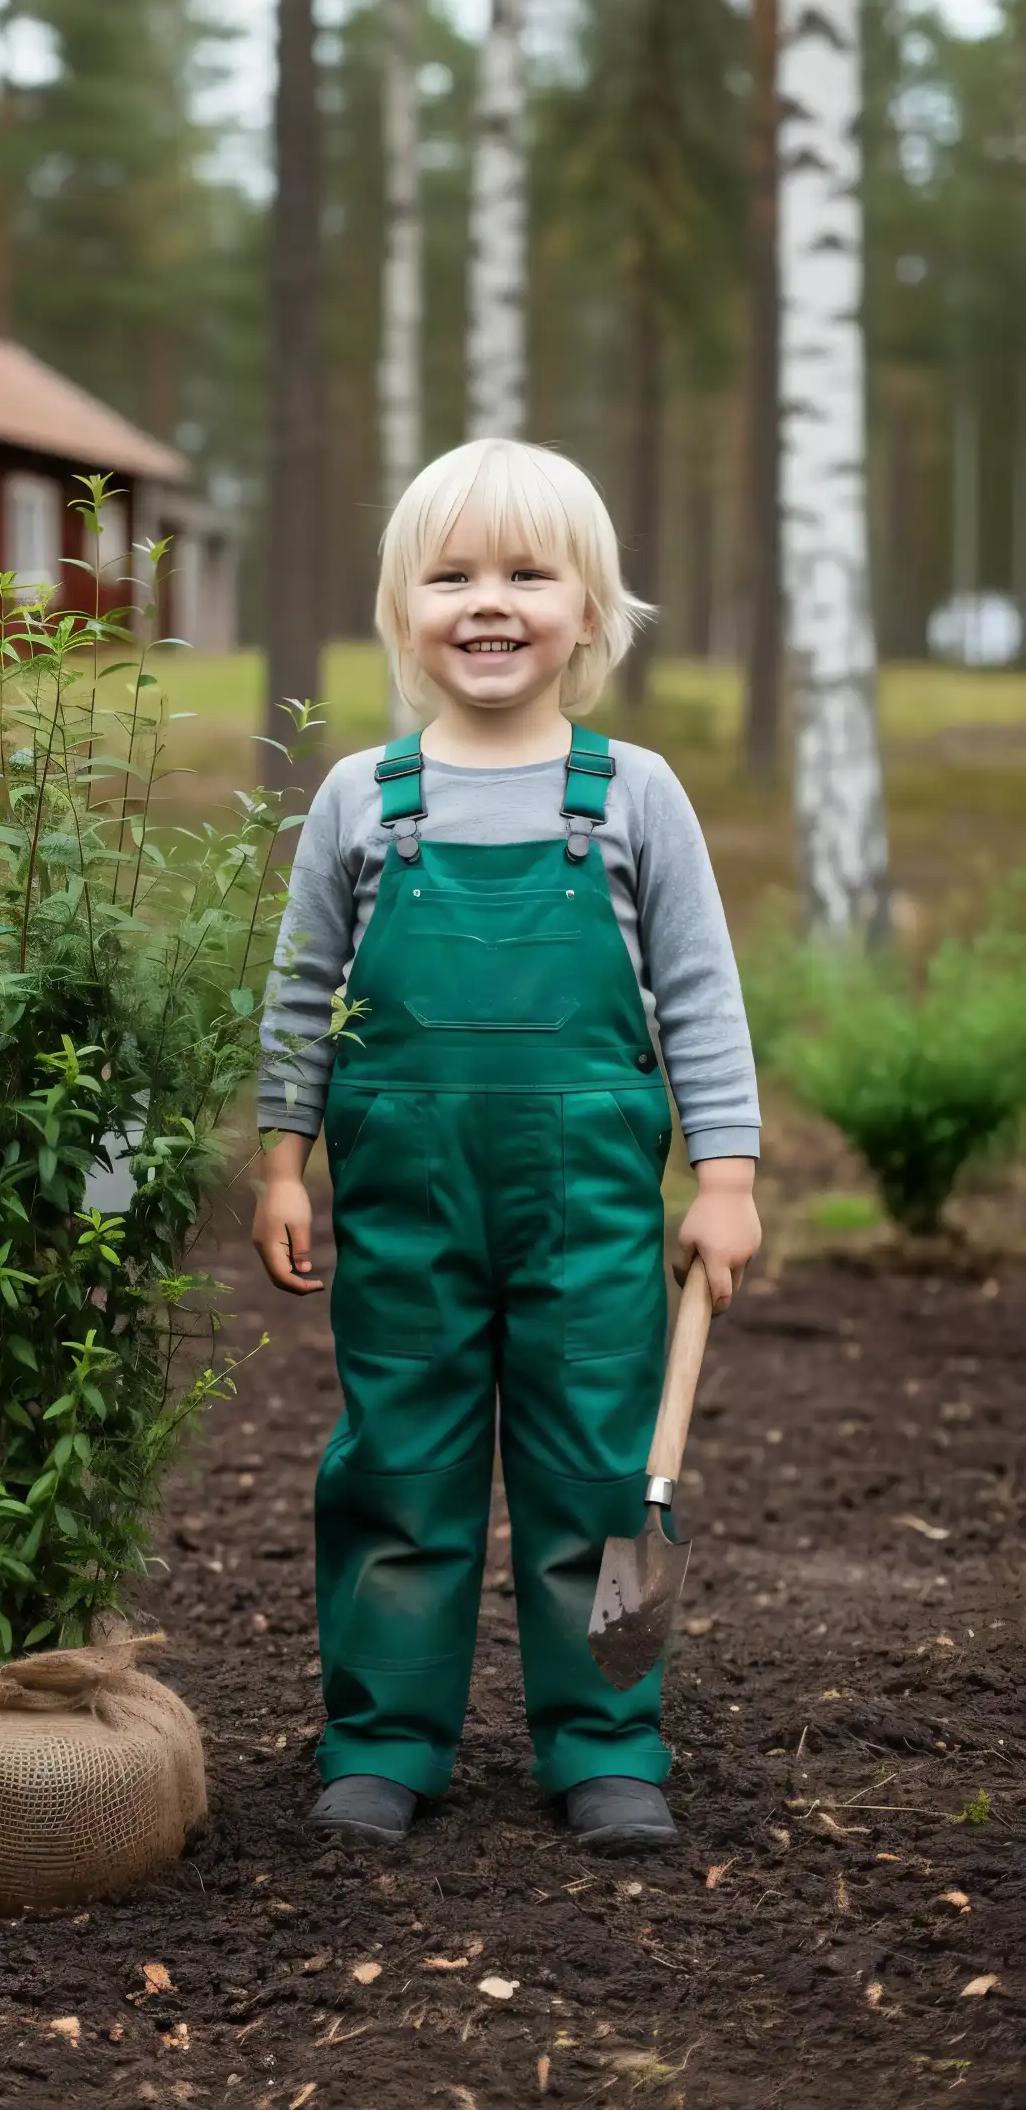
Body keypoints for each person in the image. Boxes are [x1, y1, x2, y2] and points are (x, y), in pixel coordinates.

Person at [251, 438, 761, 1855]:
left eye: (530, 574)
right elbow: (304, 993)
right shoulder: (364, 797)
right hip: (407, 1216)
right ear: (401, 610)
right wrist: (282, 1157)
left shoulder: (634, 795)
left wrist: (725, 1178)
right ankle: (382, 1740)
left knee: (602, 1479)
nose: (491, 602)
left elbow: (703, 994)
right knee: (395, 1470)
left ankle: (609, 1740)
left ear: (589, 613)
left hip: (587, 1216)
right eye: (452, 574)